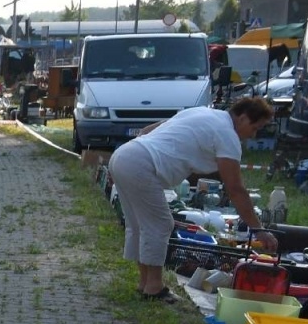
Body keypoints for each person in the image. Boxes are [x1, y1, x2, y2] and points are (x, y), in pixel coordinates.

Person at [108, 99, 278, 304]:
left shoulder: (204, 113)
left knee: (140, 225)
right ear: (242, 118)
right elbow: (235, 189)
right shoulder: (228, 135)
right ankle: (154, 288)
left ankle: (145, 283)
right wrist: (258, 229)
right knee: (160, 225)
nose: (253, 135)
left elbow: (148, 130)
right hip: (140, 164)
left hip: (124, 155)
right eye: (254, 127)